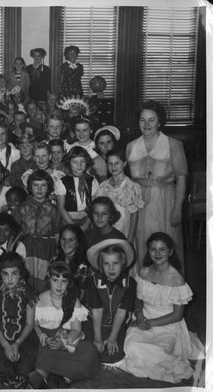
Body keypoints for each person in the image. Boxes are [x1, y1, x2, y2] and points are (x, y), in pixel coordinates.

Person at [120, 232, 203, 383]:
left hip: (168, 323)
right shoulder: (143, 272)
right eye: (153, 249)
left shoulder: (176, 279)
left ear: (170, 252)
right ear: (148, 251)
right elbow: (137, 299)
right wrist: (139, 315)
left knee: (158, 350)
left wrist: (149, 323)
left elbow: (177, 315)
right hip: (144, 316)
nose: (157, 253)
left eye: (162, 249)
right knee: (130, 345)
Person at [126, 100, 187, 270]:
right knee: (142, 243)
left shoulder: (173, 145)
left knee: (165, 244)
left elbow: (181, 178)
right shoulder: (131, 146)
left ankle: (168, 290)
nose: (146, 124)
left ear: (159, 122)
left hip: (165, 202)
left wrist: (177, 208)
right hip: (139, 204)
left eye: (151, 120)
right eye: (142, 120)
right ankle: (145, 289)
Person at [29, 262, 98, 389]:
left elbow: (76, 330)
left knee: (90, 352)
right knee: (41, 352)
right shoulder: (39, 300)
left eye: (63, 281)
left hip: (65, 339)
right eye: (55, 280)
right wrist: (44, 338)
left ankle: (60, 376)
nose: (59, 285)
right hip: (45, 340)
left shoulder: (72, 300)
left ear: (69, 283)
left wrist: (63, 343)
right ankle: (42, 376)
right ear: (49, 280)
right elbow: (34, 325)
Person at [0, 253, 38, 388]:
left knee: (26, 365)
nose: (9, 279)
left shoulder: (29, 293)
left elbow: (29, 324)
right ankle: (3, 374)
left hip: (23, 335)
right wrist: (5, 346)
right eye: (5, 274)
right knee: (2, 364)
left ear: (20, 273)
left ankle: (18, 378)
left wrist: (16, 344)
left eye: (14, 273)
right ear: (0, 274)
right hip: (0, 334)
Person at [84, 243, 136, 364]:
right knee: (90, 351)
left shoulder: (129, 283)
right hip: (94, 324)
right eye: (106, 264)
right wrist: (97, 338)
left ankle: (111, 339)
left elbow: (122, 311)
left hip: (115, 326)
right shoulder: (93, 281)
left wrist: (112, 338)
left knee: (114, 355)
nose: (111, 268)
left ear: (122, 262)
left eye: (115, 263)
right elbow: (97, 310)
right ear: (101, 265)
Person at [12, 170, 59, 292]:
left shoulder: (53, 210)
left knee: (44, 281)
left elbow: (57, 231)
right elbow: (15, 231)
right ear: (30, 187)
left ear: (48, 187)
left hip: (46, 249)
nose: (39, 189)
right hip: (26, 250)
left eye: (43, 185)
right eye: (35, 185)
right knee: (26, 280)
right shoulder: (22, 208)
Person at [95, 148, 144, 243]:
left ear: (124, 163)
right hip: (106, 231)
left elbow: (134, 215)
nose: (113, 166)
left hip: (124, 230)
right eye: (110, 163)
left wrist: (130, 238)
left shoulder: (131, 186)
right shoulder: (103, 186)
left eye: (117, 163)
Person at [57, 146, 99, 231]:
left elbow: (94, 205)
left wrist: (86, 224)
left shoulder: (92, 181)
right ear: (69, 163)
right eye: (75, 162)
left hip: (87, 219)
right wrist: (73, 226)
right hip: (68, 220)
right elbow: (61, 208)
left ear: (87, 162)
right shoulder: (63, 182)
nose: (79, 165)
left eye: (82, 161)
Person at [50, 224, 91, 299]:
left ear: (78, 242)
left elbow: (81, 295)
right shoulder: (54, 260)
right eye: (63, 239)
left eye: (70, 240)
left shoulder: (83, 267)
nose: (66, 243)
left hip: (73, 304)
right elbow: (48, 285)